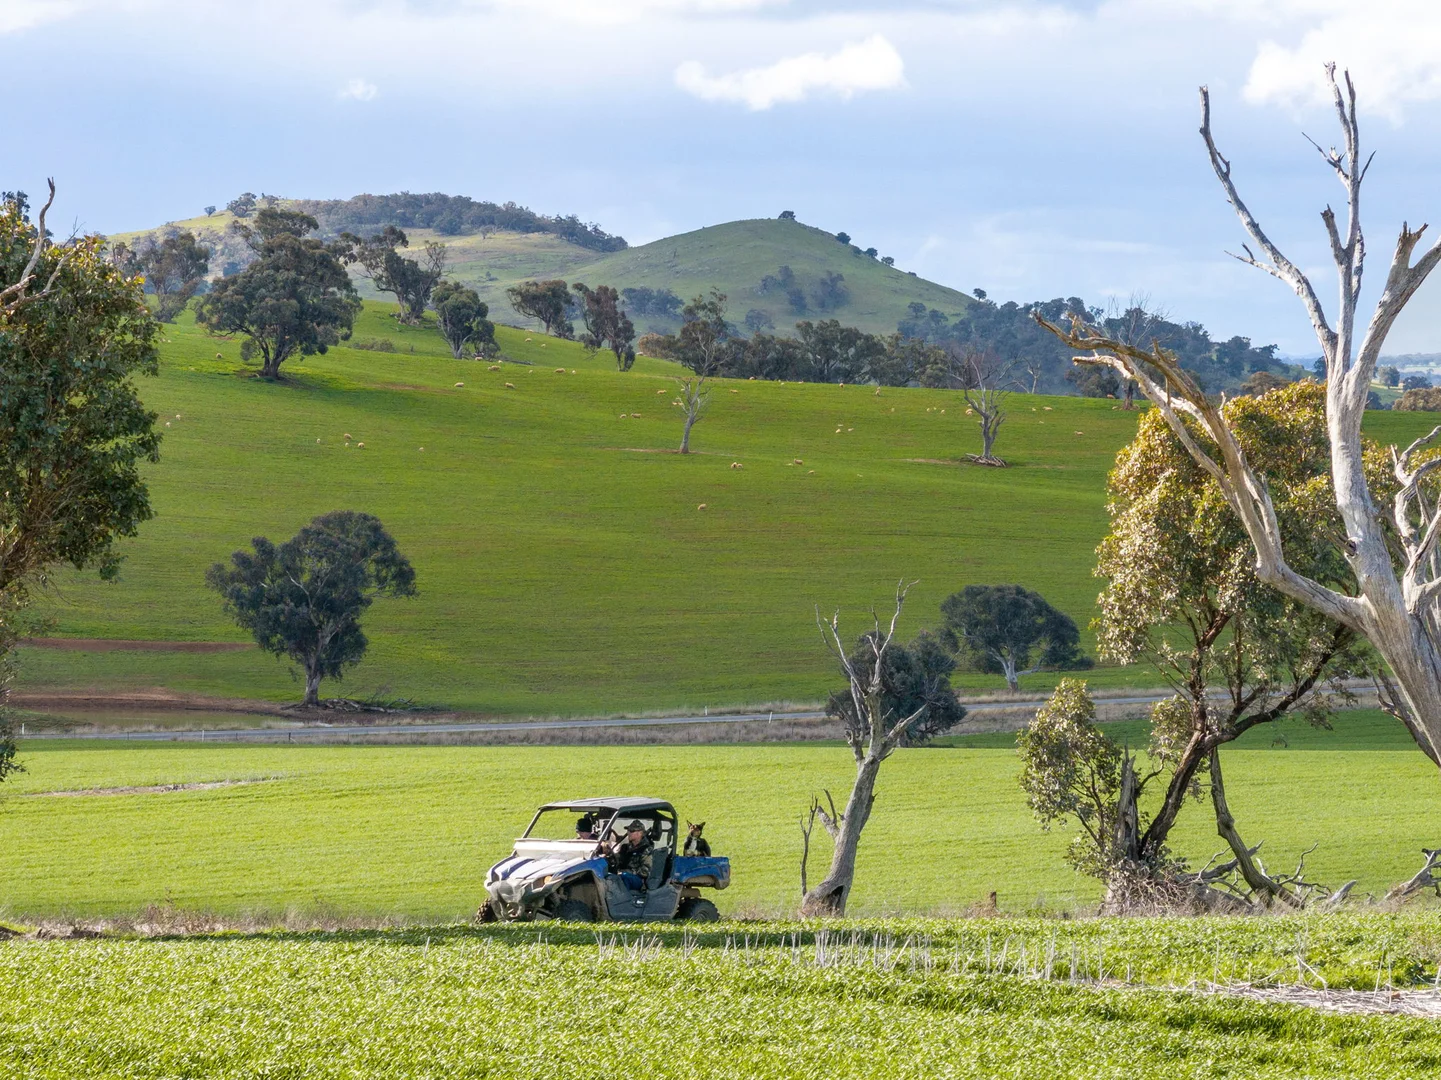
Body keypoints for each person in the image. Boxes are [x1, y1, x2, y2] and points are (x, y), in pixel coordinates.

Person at [606, 819, 654, 891]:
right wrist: (609, 859)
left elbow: (645, 871)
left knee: (624, 877)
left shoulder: (646, 849)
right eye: (628, 830)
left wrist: (628, 872)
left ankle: (623, 899)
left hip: (638, 879)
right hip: (621, 874)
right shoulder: (625, 847)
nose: (628, 833)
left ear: (639, 833)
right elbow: (618, 859)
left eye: (631, 831)